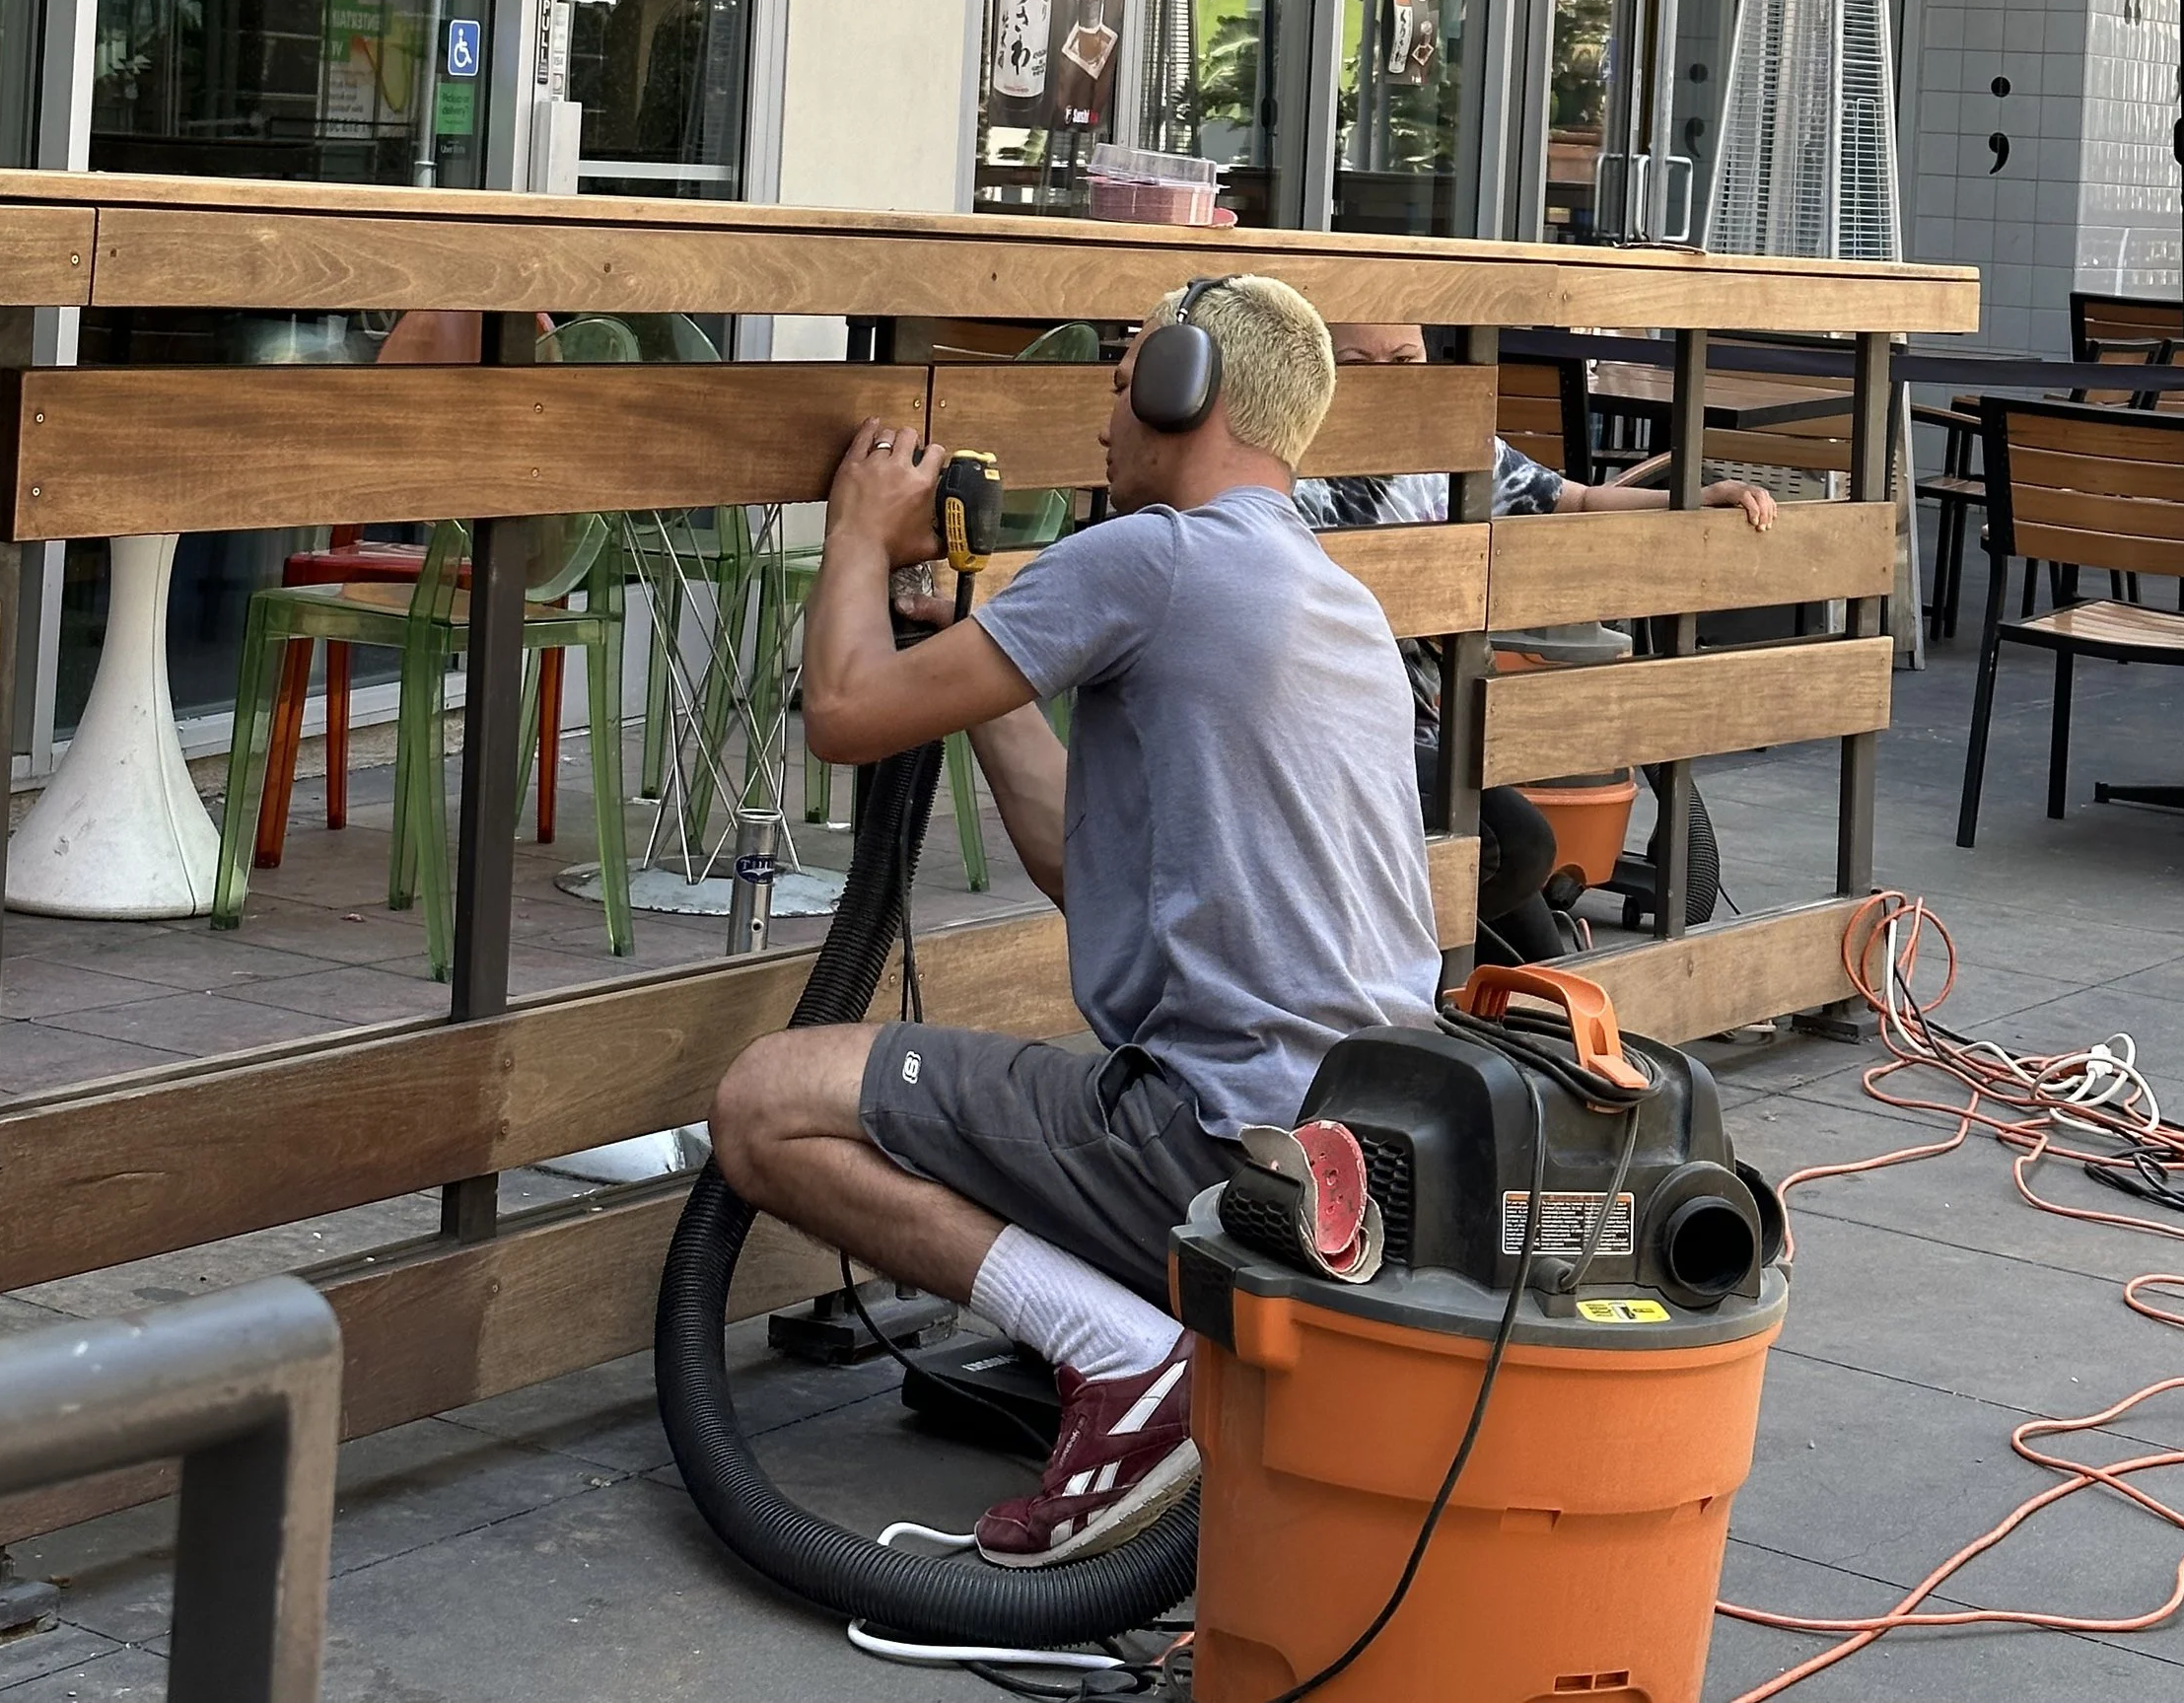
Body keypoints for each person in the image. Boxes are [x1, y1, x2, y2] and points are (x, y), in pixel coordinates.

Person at [711, 277, 1440, 1571]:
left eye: (1123, 380)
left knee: (768, 1102)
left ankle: (1130, 1361)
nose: (1106, 411)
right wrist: (988, 663)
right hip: (1353, 1154)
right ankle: (1142, 1343)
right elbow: (1078, 861)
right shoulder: (1331, 597)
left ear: (1186, 387)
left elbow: (838, 706)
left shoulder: (1151, 557)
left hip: (1216, 1134)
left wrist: (860, 535)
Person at [1294, 324, 1777, 957]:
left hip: (1437, 734)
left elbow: (1572, 501)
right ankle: (1401, 981)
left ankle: (1468, 998)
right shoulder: (1298, 471)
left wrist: (1694, 500)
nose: (1388, 377)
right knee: (1516, 847)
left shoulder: (1451, 440)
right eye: (1357, 363)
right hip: (1345, 739)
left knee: (1530, 944)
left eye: (1406, 358)